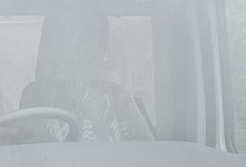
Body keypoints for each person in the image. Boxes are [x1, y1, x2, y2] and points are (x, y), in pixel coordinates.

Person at [20, 8, 149, 142]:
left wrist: (86, 99)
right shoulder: (34, 95)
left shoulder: (117, 97)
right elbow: (28, 151)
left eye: (80, 44)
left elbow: (148, 153)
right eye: (57, 41)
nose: (66, 55)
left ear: (96, 50)